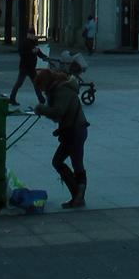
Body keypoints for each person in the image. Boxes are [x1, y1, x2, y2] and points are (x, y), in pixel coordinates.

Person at [35, 68, 90, 207]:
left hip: (74, 131)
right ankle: (78, 196)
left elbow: (58, 112)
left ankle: (78, 195)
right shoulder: (58, 88)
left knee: (62, 162)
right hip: (74, 130)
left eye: (41, 87)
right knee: (74, 163)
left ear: (46, 83)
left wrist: (41, 109)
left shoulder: (61, 90)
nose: (41, 91)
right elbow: (58, 115)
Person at [10, 31, 46, 107]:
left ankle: (41, 99)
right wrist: (31, 52)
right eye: (32, 35)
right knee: (19, 83)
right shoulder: (25, 43)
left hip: (31, 68)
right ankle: (12, 98)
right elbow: (22, 53)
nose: (33, 36)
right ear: (28, 35)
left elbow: (38, 51)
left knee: (36, 83)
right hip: (25, 67)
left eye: (33, 35)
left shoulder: (33, 43)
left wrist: (44, 57)